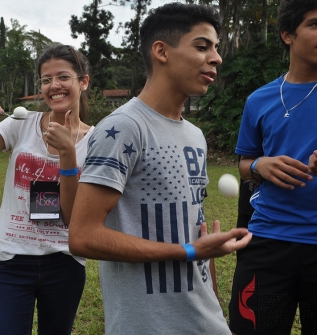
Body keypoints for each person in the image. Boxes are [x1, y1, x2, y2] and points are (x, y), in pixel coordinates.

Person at [68, 3, 252, 334]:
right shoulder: (124, 127)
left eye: (215, 48)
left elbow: (193, 228)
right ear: (161, 51)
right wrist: (188, 250)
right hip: (149, 324)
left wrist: (204, 261)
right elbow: (82, 236)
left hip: (203, 317)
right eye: (202, 46)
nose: (216, 58)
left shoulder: (195, 135)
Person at [0, 44, 94, 335]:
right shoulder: (20, 124)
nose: (54, 86)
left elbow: (72, 217)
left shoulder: (96, 141)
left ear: (83, 82)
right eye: (46, 80)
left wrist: (67, 156)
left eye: (63, 77)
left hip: (64, 263)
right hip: (10, 261)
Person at [228, 1, 317, 334]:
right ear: (287, 34)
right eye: (315, 24)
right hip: (267, 241)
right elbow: (244, 164)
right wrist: (260, 165)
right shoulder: (259, 100)